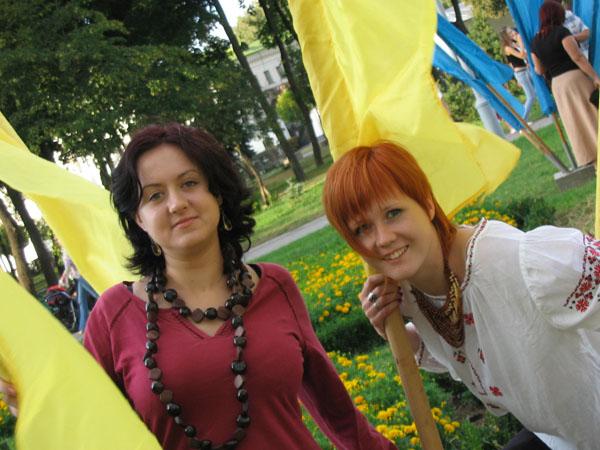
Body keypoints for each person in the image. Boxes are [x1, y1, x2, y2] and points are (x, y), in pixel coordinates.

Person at [0, 124, 397, 450]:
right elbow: (88, 426)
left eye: (189, 183)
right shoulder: (112, 315)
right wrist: (32, 403)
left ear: (217, 194)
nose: (176, 203)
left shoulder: (275, 285)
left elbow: (336, 411)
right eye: (155, 196)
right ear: (139, 219)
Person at [322, 141, 600, 450]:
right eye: (362, 229)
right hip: (563, 437)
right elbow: (469, 350)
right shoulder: (408, 291)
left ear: (427, 203)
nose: (383, 239)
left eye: (393, 213)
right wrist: (396, 332)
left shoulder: (511, 260)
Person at [530, 1, 599, 168]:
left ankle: (594, 162)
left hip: (558, 86)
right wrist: (595, 77)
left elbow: (539, 70)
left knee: (576, 121)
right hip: (576, 80)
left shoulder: (535, 42)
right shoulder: (562, 32)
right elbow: (577, 57)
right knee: (591, 114)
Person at [56, 237, 98, 331]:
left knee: (97, 295)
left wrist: (62, 282)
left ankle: (113, 307)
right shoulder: (67, 249)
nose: (56, 241)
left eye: (57, 239)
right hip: (79, 277)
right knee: (81, 301)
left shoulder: (67, 250)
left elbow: (67, 268)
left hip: (81, 276)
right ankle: (83, 326)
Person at [499, 27, 537, 123]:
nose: (512, 33)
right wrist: (520, 42)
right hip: (521, 73)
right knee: (531, 96)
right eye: (509, 32)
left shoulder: (513, 44)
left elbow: (525, 54)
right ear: (505, 35)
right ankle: (523, 120)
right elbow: (522, 55)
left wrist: (520, 43)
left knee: (537, 90)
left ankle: (551, 113)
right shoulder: (507, 48)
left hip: (526, 69)